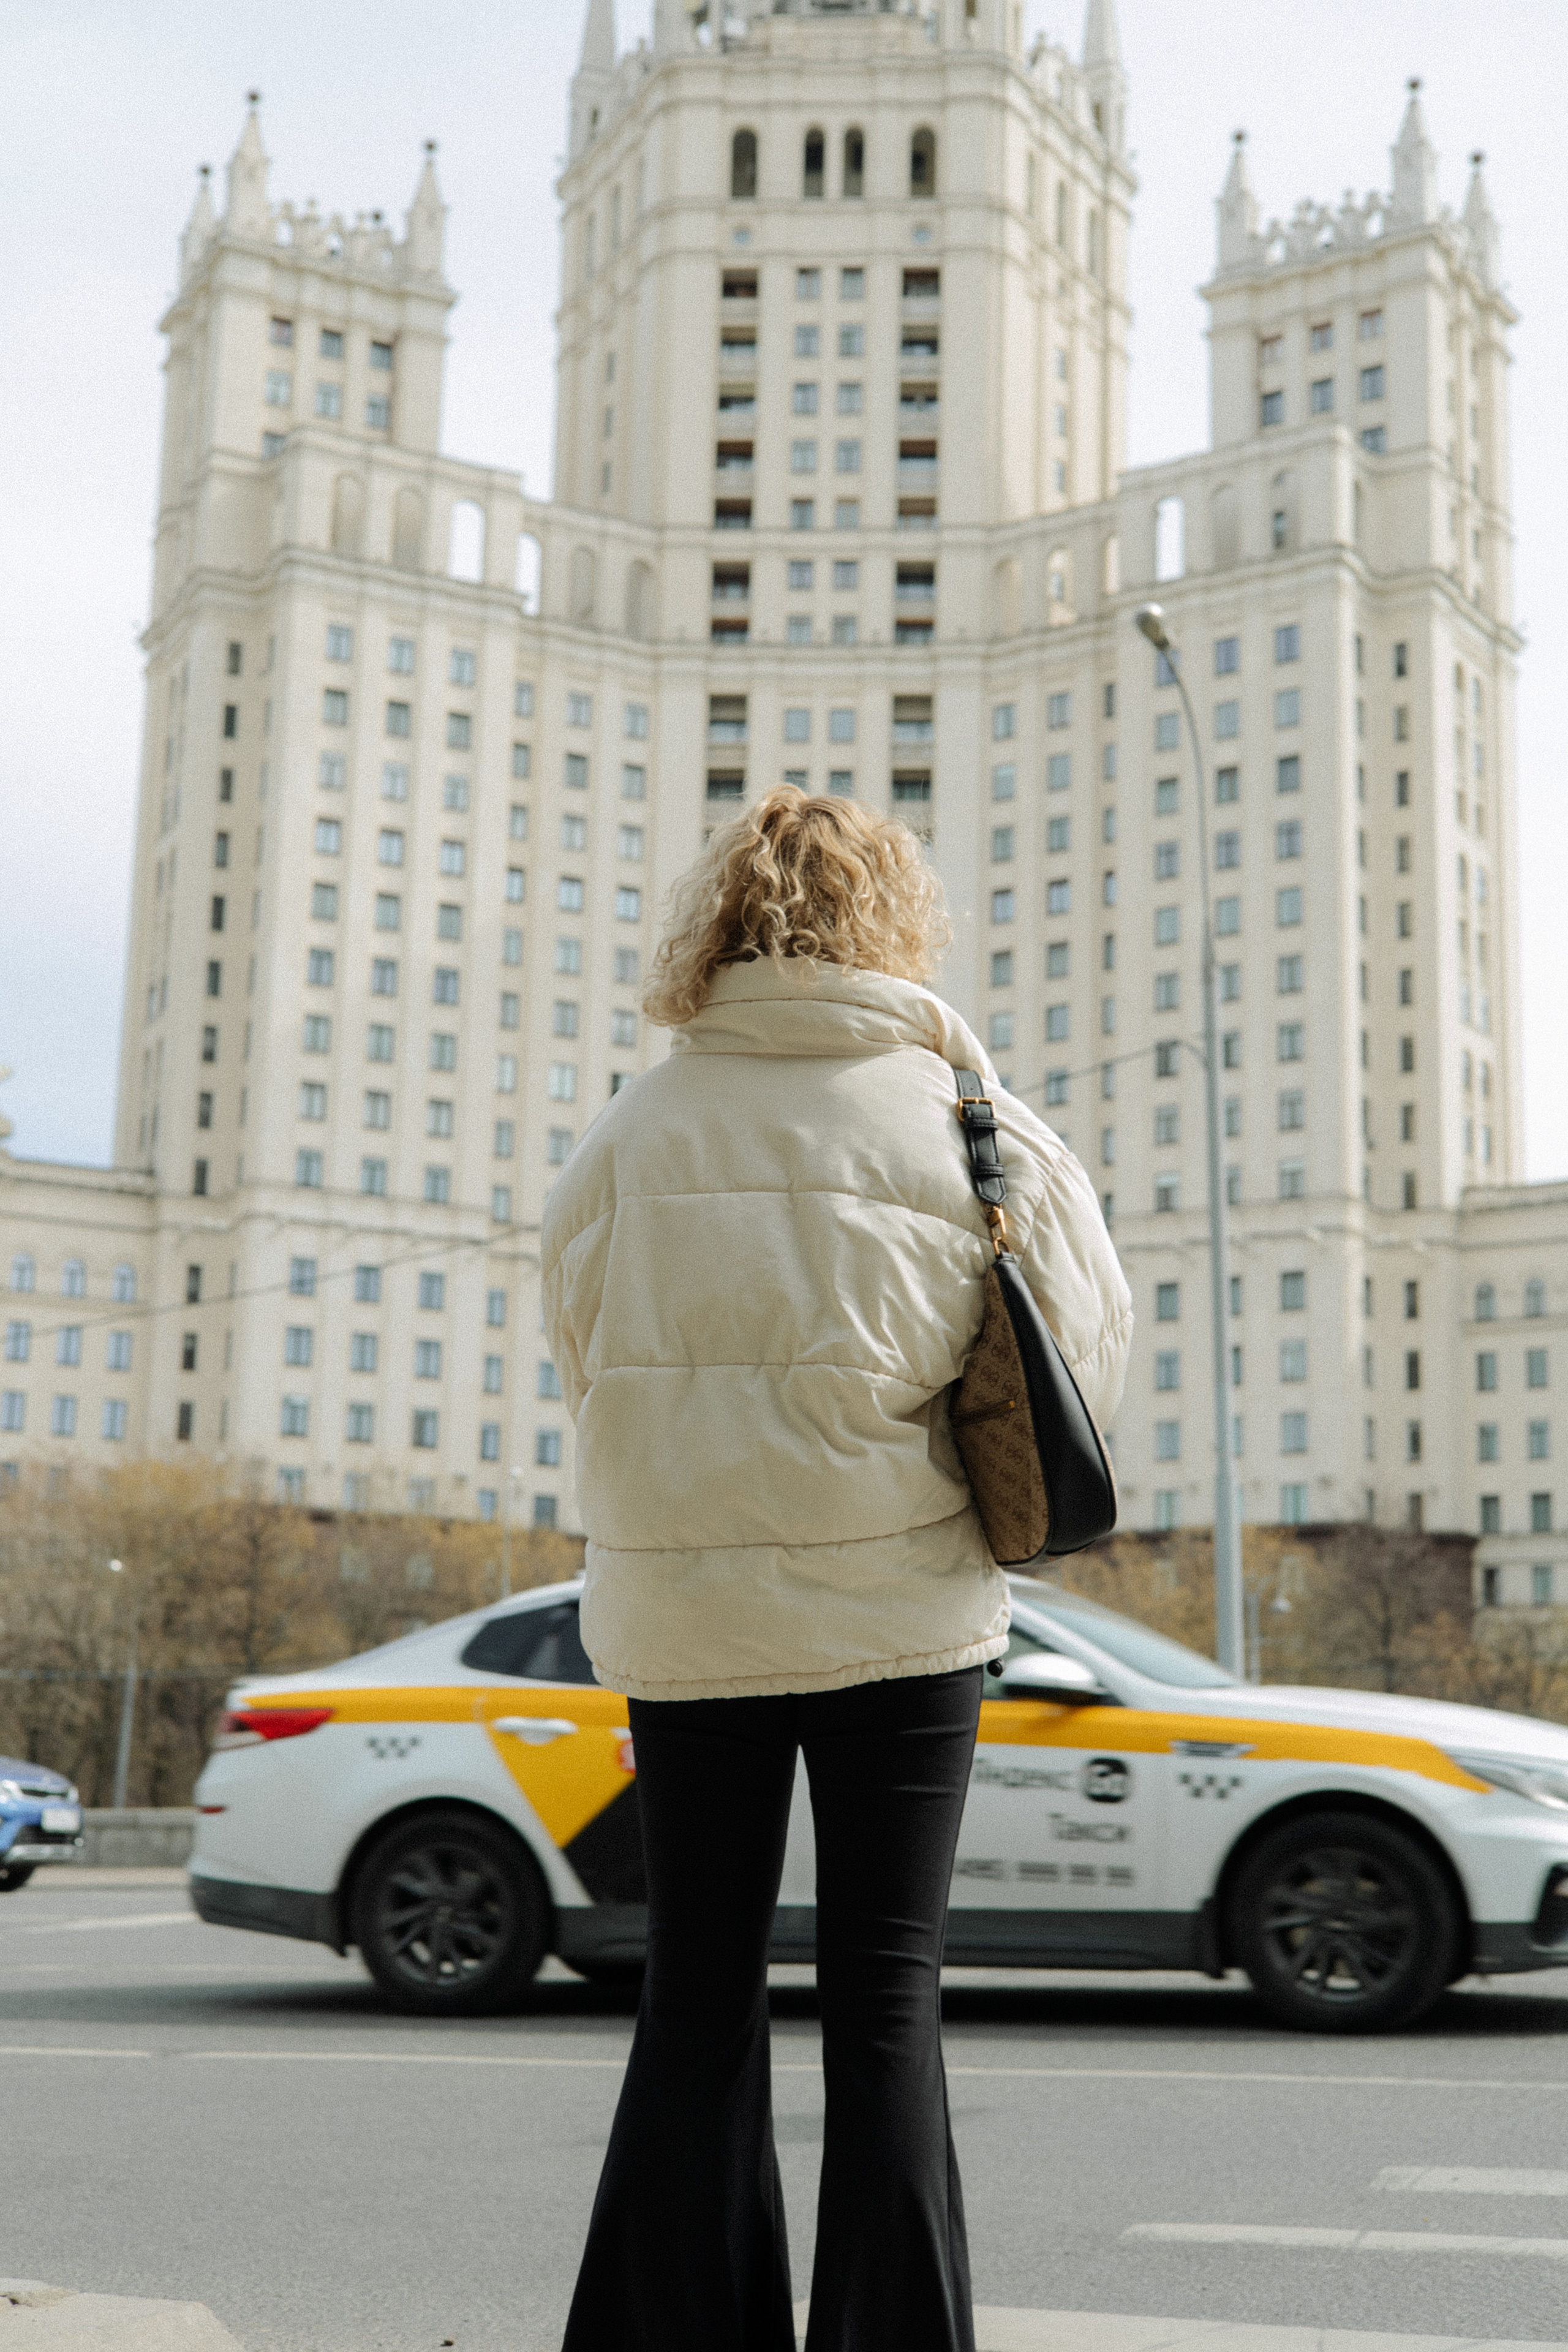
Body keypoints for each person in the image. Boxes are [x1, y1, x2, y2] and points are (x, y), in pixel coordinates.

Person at [543, 788, 1131, 2352]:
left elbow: (581, 1352)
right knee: (885, 2002)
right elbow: (1080, 1354)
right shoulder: (963, 1118)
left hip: (680, 1617)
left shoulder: (630, 1128)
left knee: (695, 1995)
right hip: (903, 1619)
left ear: (714, 929)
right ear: (891, 920)